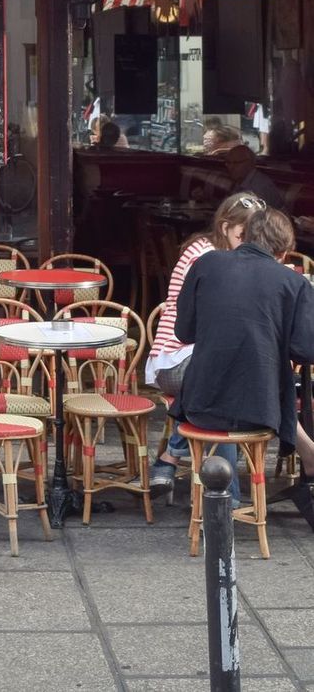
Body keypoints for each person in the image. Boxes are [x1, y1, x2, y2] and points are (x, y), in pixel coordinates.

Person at [174, 205, 314, 529]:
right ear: (284, 251)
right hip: (261, 412)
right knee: (274, 384)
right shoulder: (293, 283)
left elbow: (183, 332)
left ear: (246, 235)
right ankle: (306, 457)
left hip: (199, 404)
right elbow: (306, 350)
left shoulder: (206, 264)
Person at [147, 192, 257, 497]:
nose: (250, 241)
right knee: (231, 388)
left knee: (227, 389)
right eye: (243, 234)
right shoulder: (206, 256)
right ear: (225, 227)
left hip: (200, 361)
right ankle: (228, 500)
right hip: (175, 359)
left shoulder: (228, 256)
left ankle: (171, 457)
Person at [218, 142, 283, 209]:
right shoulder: (241, 179)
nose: (231, 167)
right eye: (228, 163)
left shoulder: (258, 187)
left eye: (236, 163)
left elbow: (251, 216)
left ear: (250, 163)